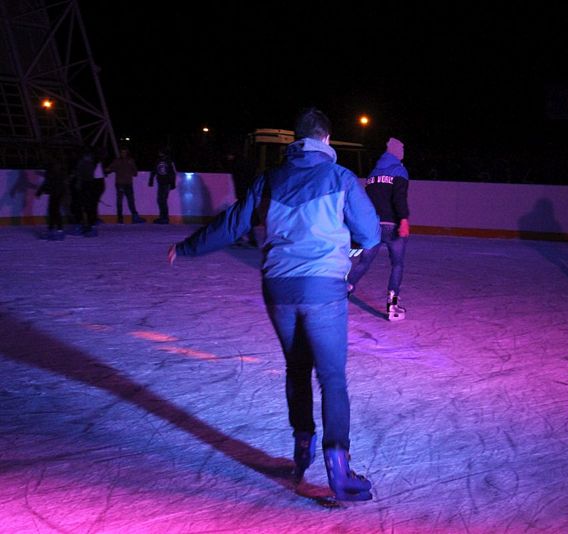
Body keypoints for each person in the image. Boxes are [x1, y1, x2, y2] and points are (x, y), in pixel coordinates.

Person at [167, 108, 380, 501]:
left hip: (278, 287)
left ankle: (302, 448)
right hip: (322, 289)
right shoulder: (341, 178)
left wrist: (187, 247)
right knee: (332, 377)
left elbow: (232, 225)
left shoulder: (269, 179)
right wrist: (345, 246)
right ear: (326, 139)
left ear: (296, 140)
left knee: (297, 369)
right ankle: (339, 467)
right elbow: (370, 235)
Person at [346, 137, 410, 320]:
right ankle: (392, 304)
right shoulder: (399, 170)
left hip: (373, 226)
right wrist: (404, 219)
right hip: (392, 225)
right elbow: (399, 197)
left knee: (364, 262)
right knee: (397, 264)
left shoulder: (373, 173)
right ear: (396, 152)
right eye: (401, 150)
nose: (403, 153)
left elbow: (366, 202)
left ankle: (344, 290)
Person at [224, 149, 258, 247]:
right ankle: (250, 238)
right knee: (245, 216)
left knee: (241, 216)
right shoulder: (244, 164)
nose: (227, 158)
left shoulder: (237, 165)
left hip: (243, 194)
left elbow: (239, 179)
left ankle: (241, 237)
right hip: (247, 194)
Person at [35, 151, 69, 240]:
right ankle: (55, 229)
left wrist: (39, 192)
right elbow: (50, 180)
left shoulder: (52, 167)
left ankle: (57, 229)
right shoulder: (60, 167)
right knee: (53, 210)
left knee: (54, 210)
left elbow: (47, 182)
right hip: (59, 191)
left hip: (56, 191)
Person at [106, 147, 145, 224]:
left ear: (127, 153)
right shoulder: (118, 161)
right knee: (122, 201)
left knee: (129, 201)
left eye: (124, 152)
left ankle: (130, 217)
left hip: (126, 183)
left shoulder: (127, 161)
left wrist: (131, 171)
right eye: (122, 152)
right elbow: (110, 168)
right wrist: (108, 170)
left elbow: (135, 172)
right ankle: (122, 218)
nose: (123, 154)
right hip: (121, 183)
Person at [148, 149, 177, 224]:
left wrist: (172, 183)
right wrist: (151, 179)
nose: (160, 154)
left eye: (161, 153)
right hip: (160, 183)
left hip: (167, 183)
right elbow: (154, 170)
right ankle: (162, 217)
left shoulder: (169, 161)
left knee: (163, 200)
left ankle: (165, 218)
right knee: (160, 200)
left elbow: (173, 173)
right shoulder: (158, 161)